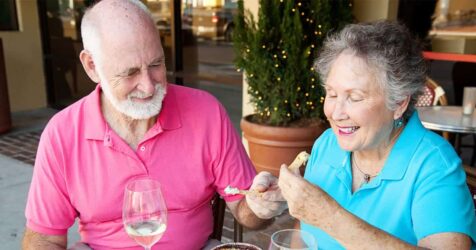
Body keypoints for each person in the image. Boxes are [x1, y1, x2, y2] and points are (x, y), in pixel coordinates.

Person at [22, 1, 286, 249]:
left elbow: (246, 212)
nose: (149, 86)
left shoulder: (206, 112)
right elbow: (43, 237)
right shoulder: (62, 134)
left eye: (156, 64)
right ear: (92, 66)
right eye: (130, 72)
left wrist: (260, 207)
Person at [278, 20, 476, 249]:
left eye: (354, 97)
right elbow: (302, 232)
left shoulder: (434, 165)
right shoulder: (327, 144)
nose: (336, 112)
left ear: (399, 102)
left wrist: (329, 217)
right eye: (331, 94)